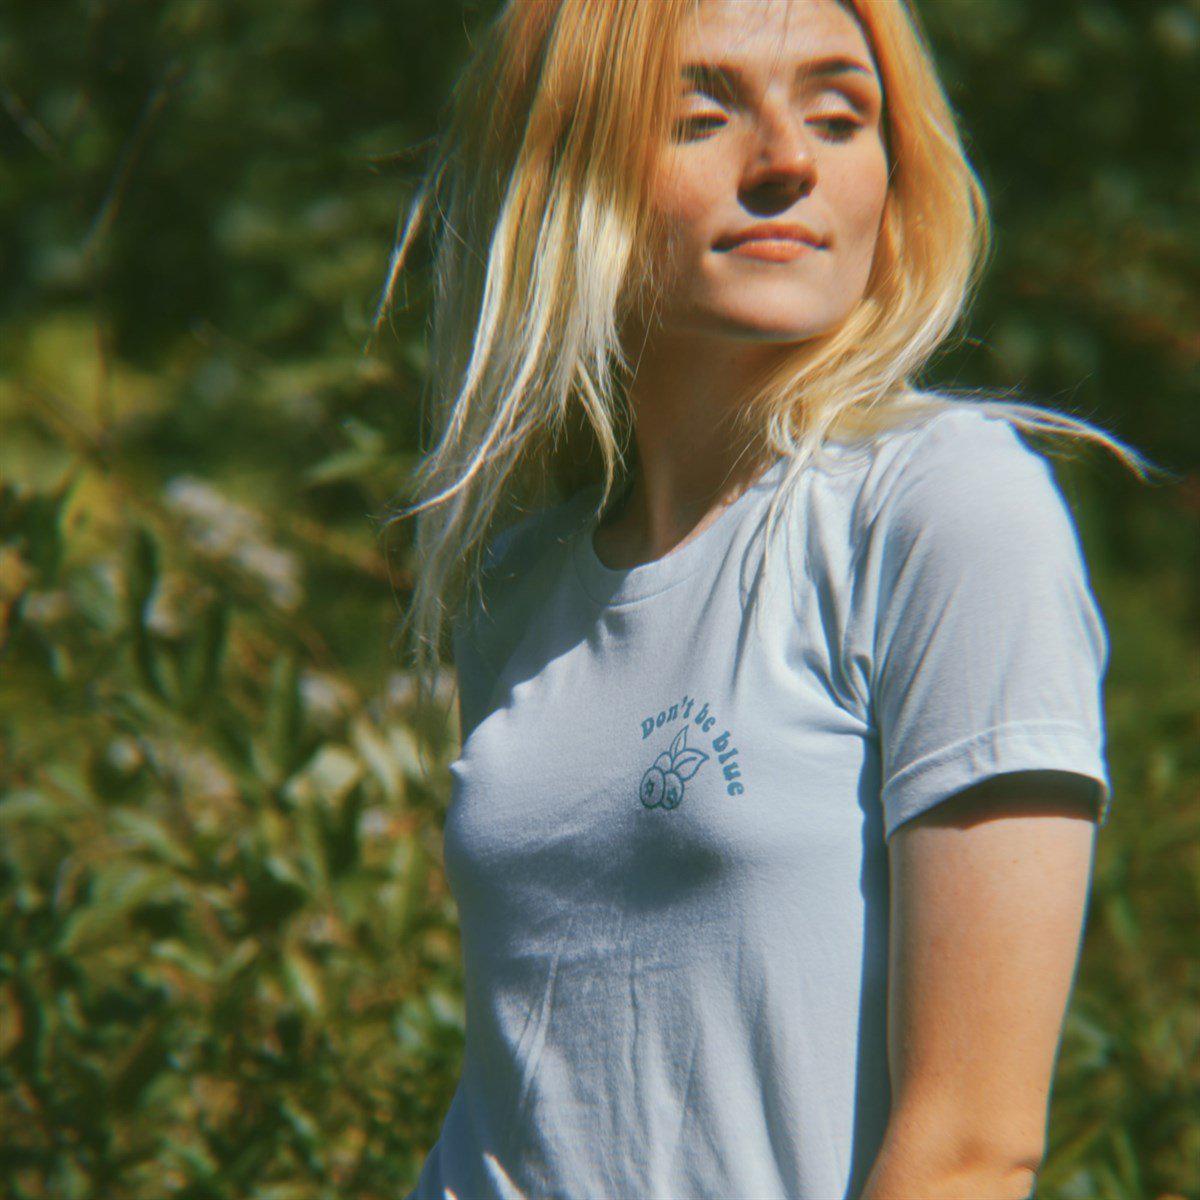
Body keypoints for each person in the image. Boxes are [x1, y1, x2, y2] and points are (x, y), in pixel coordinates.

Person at [378, 1, 1162, 1197]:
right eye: (703, 115)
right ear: (563, 170)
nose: (790, 159)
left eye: (842, 114)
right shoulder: (519, 580)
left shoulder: (942, 511)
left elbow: (972, 1147)